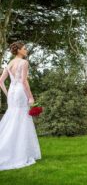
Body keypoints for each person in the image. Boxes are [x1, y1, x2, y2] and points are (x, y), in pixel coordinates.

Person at [0, 41, 41, 171]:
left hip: (12, 92)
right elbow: (24, 81)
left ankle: (11, 148)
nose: (26, 50)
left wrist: (7, 94)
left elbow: (1, 81)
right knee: (21, 119)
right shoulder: (24, 63)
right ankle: (19, 152)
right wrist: (30, 96)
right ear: (18, 50)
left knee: (13, 118)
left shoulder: (9, 64)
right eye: (24, 49)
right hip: (20, 92)